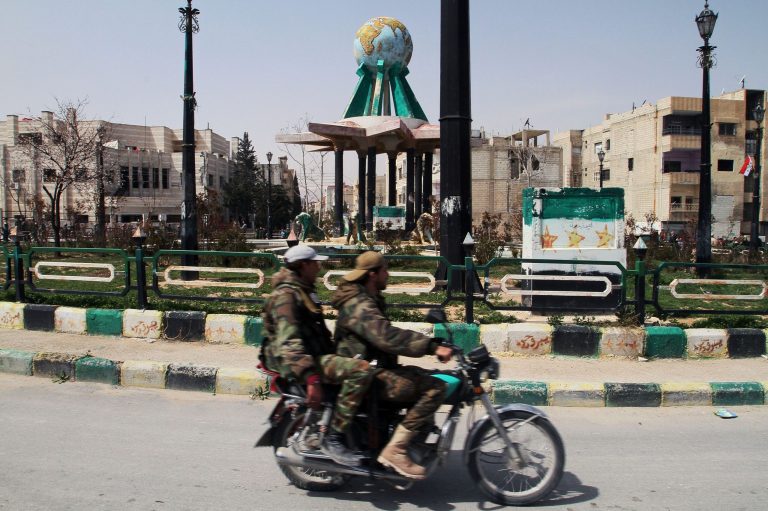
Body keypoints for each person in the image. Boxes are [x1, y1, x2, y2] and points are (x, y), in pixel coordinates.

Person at [332, 251, 453, 479]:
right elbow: (387, 337)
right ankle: (395, 450)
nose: (388, 274)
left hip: (376, 368)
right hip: (367, 374)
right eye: (385, 270)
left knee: (426, 376)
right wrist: (431, 346)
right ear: (372, 274)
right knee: (434, 387)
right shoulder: (358, 304)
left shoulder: (369, 298)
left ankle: (411, 438)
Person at [261, 245, 374, 466]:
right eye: (315, 263)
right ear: (303, 265)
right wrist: (311, 377)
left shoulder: (303, 289)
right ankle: (334, 437)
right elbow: (289, 343)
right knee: (360, 372)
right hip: (299, 362)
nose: (318, 267)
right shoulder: (286, 295)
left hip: (313, 355)